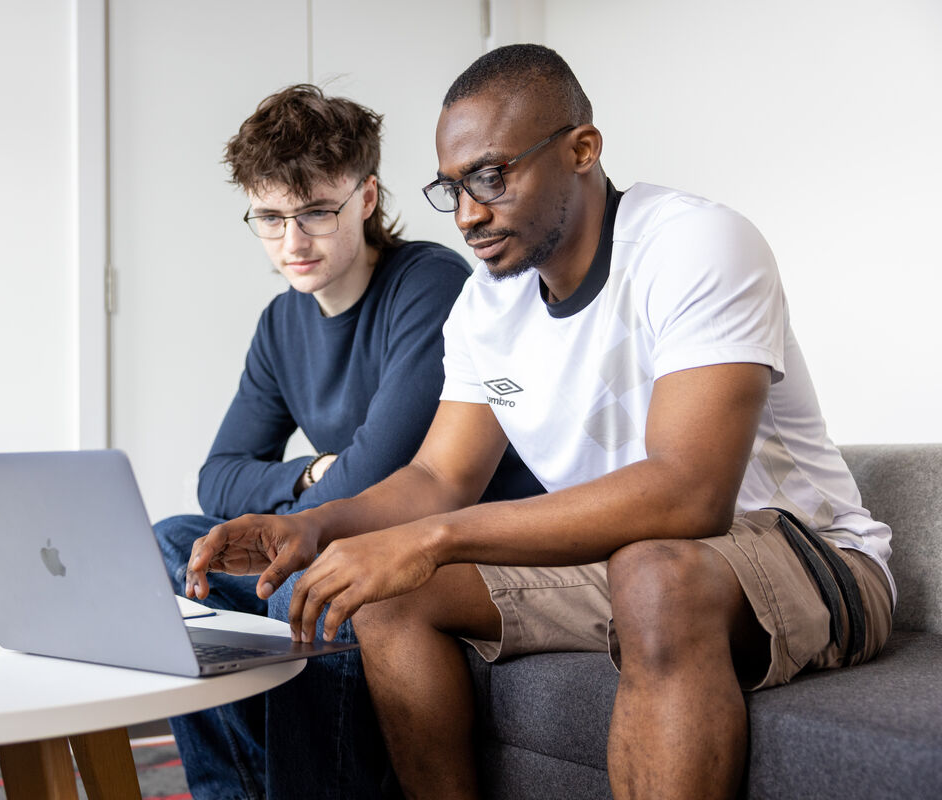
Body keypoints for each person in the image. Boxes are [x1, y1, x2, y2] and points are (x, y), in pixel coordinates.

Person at [187, 45, 895, 800]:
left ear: (582, 150)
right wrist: (315, 526)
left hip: (804, 551)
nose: (467, 214)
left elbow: (690, 496)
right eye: (450, 188)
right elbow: (439, 476)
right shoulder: (489, 303)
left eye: (491, 177)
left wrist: (430, 540)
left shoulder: (694, 244)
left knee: (654, 572)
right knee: (388, 596)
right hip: (621, 560)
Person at [154, 84, 540, 800]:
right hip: (337, 518)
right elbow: (217, 476)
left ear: (366, 199)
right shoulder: (281, 323)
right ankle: (231, 793)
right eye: (269, 219)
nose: (291, 243)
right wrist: (305, 477)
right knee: (170, 544)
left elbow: (384, 471)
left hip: (441, 535)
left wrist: (302, 505)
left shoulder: (428, 283)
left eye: (316, 213)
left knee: (306, 577)